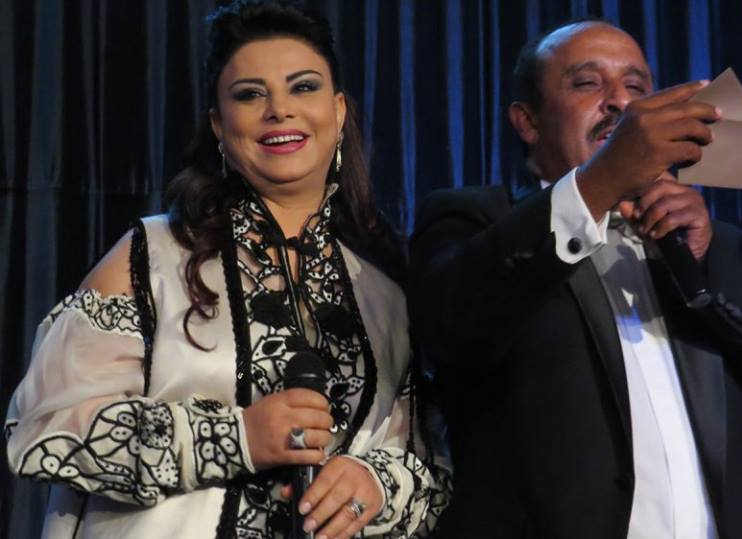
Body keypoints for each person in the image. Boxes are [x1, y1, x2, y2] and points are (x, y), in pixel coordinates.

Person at [4, 1, 449, 537]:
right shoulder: (152, 255)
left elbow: (431, 471)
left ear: (338, 112)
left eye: (303, 87)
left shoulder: (385, 295)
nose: (279, 110)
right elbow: (44, 430)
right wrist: (237, 437)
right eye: (250, 94)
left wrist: (375, 484)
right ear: (219, 126)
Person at [408, 19, 742, 539]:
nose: (622, 103)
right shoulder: (476, 219)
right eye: (587, 83)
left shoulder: (712, 244)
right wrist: (598, 185)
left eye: (637, 87)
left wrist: (707, 266)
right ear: (528, 121)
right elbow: (451, 331)